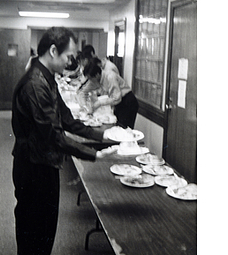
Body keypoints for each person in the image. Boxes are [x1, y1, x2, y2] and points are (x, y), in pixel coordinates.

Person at [11, 27, 114, 255]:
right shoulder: (36, 84)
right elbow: (53, 135)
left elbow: (66, 119)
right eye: (69, 56)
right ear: (53, 50)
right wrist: (93, 154)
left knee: (45, 229)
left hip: (44, 164)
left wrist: (103, 136)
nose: (71, 61)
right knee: (34, 233)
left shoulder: (47, 78)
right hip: (34, 168)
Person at [83, 57, 139, 129]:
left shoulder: (110, 76)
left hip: (128, 102)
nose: (90, 81)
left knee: (124, 130)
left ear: (96, 75)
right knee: (117, 127)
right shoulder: (100, 78)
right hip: (120, 102)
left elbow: (117, 99)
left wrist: (99, 103)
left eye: (90, 78)